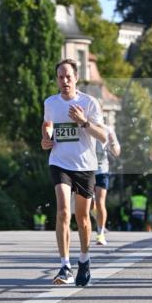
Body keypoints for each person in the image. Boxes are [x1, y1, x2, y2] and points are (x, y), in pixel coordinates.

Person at [41, 58, 108, 287]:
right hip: (59, 163)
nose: (65, 80)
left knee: (83, 218)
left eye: (68, 76)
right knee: (62, 211)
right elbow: (47, 125)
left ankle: (84, 259)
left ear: (76, 78)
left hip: (85, 166)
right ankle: (65, 265)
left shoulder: (89, 103)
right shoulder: (51, 102)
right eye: (61, 77)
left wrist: (83, 122)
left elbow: (103, 136)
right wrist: (46, 139)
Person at [93, 124, 121, 245]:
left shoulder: (108, 129)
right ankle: (100, 223)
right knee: (88, 204)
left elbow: (117, 152)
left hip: (101, 169)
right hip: (85, 169)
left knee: (100, 202)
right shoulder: (82, 124)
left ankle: (100, 233)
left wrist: (112, 143)